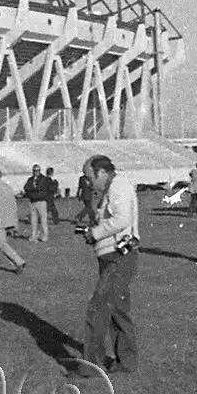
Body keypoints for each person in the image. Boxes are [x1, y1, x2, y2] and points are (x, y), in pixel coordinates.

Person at [76, 154, 139, 377]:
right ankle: (126, 362)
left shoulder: (118, 186)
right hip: (114, 256)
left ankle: (91, 366)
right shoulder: (113, 187)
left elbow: (122, 219)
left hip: (117, 258)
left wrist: (95, 233)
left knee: (98, 309)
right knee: (117, 311)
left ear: (102, 172)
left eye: (90, 177)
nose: (88, 182)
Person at [24, 163, 51, 243]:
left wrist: (33, 191)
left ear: (40, 171)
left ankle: (44, 236)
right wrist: (32, 192)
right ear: (33, 171)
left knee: (43, 220)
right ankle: (34, 235)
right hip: (32, 202)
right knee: (33, 220)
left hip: (41, 201)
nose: (36, 172)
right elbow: (26, 188)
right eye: (35, 170)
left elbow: (42, 189)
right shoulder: (30, 179)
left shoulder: (44, 179)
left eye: (38, 170)